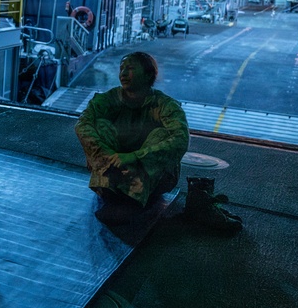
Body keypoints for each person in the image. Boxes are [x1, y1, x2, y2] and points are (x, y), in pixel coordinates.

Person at [75, 52, 202, 224]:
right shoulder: (108, 99)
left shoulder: (165, 105)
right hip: (113, 167)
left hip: (153, 178)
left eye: (131, 68)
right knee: (99, 125)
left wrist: (133, 157)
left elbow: (180, 139)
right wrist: (109, 156)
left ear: (149, 74)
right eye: (121, 69)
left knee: (162, 134)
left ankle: (129, 199)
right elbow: (83, 124)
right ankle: (121, 195)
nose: (123, 74)